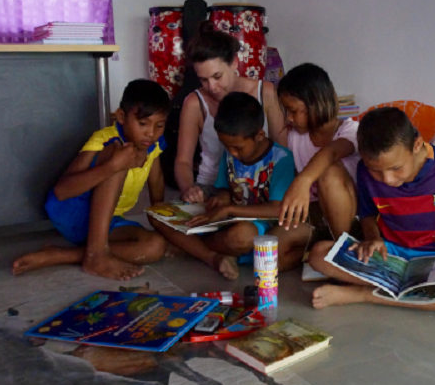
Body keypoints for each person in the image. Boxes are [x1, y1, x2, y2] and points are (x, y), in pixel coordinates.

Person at [308, 108, 435, 318]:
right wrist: (373, 238)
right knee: (319, 255)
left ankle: (363, 294)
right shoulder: (365, 169)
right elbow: (368, 215)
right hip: (390, 257)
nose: (388, 179)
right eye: (376, 171)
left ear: (416, 145)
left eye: (396, 168)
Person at [12, 80, 170, 280]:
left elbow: (156, 179)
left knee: (155, 247)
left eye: (159, 125)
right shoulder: (106, 140)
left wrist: (164, 224)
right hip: (73, 213)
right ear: (122, 117)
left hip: (106, 223)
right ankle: (96, 254)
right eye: (143, 124)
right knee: (120, 153)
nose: (151, 133)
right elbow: (62, 191)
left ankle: (59, 255)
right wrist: (113, 165)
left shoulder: (154, 144)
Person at [150, 92, 309, 280]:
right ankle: (213, 250)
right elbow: (226, 188)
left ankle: (192, 247)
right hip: (227, 222)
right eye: (227, 146)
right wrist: (220, 200)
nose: (232, 152)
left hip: (261, 226)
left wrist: (229, 210)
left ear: (259, 135)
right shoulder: (230, 153)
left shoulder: (281, 158)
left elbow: (277, 209)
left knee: (242, 236)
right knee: (156, 215)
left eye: (238, 148)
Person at [175, 22, 285, 204]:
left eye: (217, 76)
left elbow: (282, 150)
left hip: (260, 184)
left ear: (234, 62)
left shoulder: (265, 93)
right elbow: (183, 162)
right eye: (203, 79)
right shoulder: (194, 103)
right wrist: (189, 189)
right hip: (210, 188)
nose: (212, 87)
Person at [276, 63, 360, 239]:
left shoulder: (352, 131)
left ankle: (344, 250)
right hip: (314, 216)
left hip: (352, 218)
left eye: (293, 111)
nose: (289, 118)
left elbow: (331, 153)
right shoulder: (294, 136)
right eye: (286, 111)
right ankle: (321, 249)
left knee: (328, 170)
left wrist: (303, 180)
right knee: (277, 248)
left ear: (316, 104)